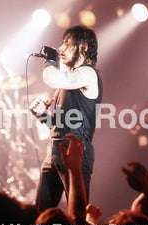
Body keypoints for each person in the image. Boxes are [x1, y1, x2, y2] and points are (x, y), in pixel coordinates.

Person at [31, 25, 103, 211]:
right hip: (55, 148)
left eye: (67, 44)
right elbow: (61, 125)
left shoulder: (88, 73)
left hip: (76, 149)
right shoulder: (69, 81)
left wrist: (49, 60)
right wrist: (42, 116)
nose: (60, 49)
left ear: (84, 47)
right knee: (40, 213)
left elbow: (52, 78)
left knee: (77, 214)